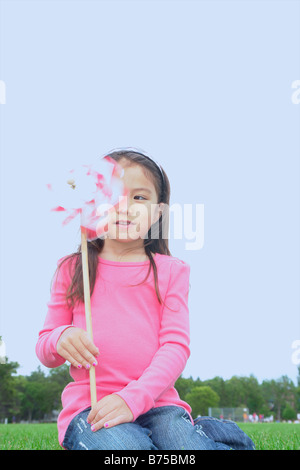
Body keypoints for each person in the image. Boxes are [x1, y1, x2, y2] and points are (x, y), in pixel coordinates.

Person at [36, 148, 255, 450]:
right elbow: (46, 348)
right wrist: (60, 337)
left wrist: (134, 398)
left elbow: (175, 346)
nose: (123, 206)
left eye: (139, 197)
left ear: (158, 213)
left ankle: (208, 434)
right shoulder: (72, 269)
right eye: (111, 195)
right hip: (93, 409)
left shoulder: (171, 271)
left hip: (157, 404)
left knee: (185, 449)